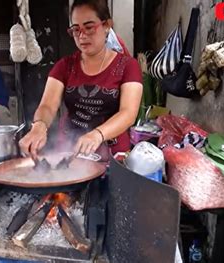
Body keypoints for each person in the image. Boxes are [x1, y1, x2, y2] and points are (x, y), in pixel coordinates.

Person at [19, 0, 143, 157]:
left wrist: (98, 134)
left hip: (113, 155)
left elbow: (128, 113)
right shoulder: (64, 66)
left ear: (107, 25)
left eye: (89, 27)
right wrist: (39, 126)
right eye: (76, 30)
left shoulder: (128, 66)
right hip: (69, 150)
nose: (82, 35)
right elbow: (48, 106)